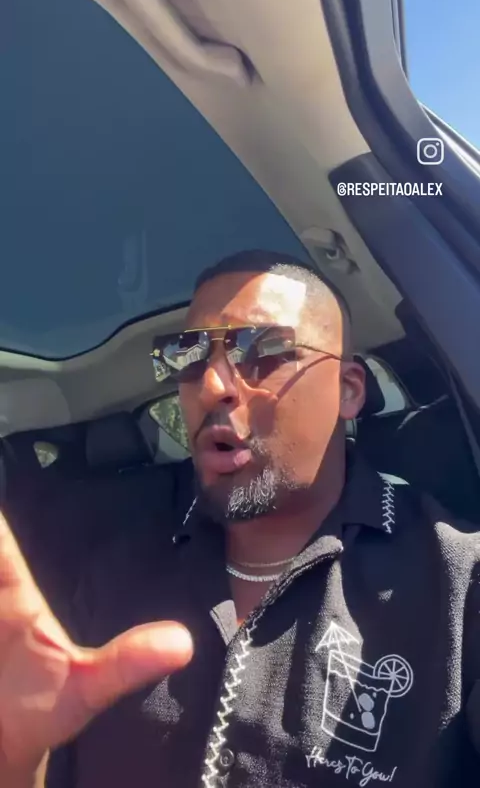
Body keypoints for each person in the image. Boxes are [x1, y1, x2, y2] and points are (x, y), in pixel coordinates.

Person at [1, 249, 479, 788]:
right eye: (188, 357)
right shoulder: (112, 566)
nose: (211, 386)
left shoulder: (458, 582)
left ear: (347, 390)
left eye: (262, 350)